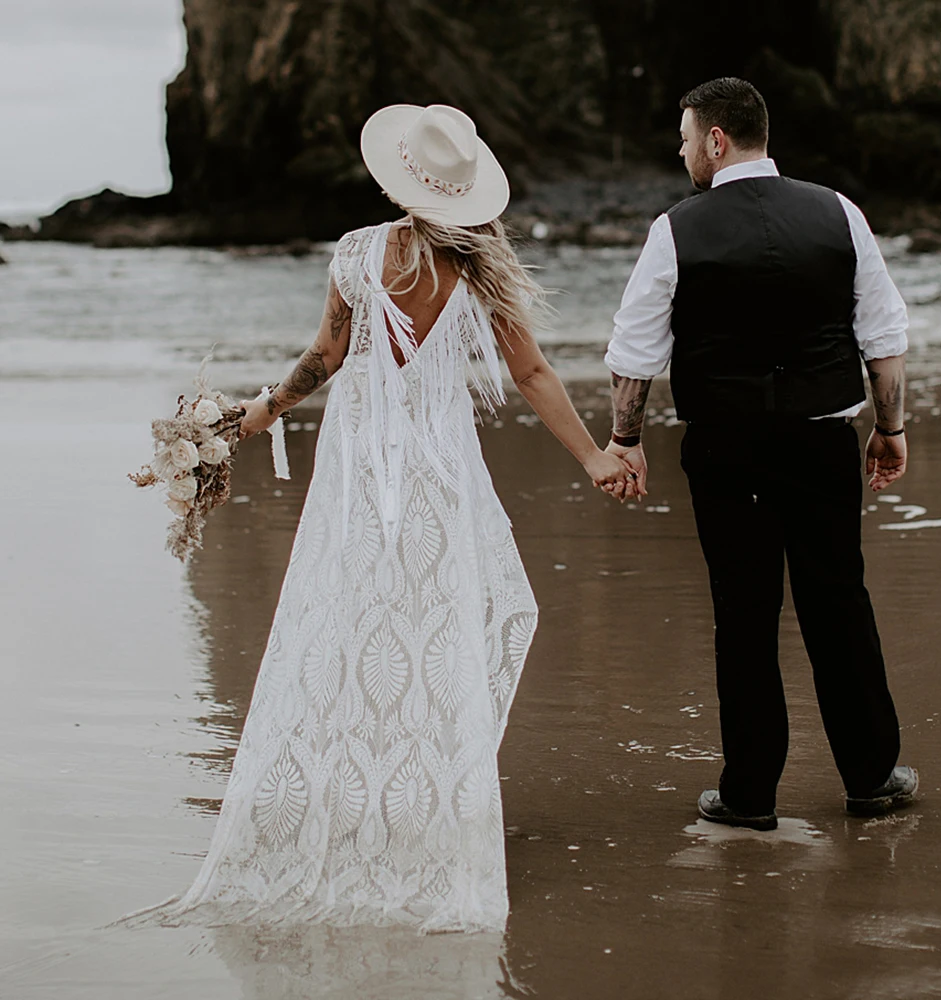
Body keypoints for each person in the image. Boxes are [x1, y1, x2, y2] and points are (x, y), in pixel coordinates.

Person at [127, 104, 635, 931]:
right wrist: (592, 458)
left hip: (359, 473)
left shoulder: (358, 254)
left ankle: (356, 800)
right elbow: (532, 371)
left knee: (354, 622)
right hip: (440, 476)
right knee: (435, 629)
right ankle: (429, 804)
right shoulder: (479, 266)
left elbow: (323, 358)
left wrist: (251, 416)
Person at [602, 78, 917, 831]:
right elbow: (884, 342)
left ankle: (750, 796)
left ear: (717, 140)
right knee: (839, 601)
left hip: (726, 448)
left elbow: (635, 359)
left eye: (685, 139)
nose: (680, 152)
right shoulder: (838, 213)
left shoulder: (676, 229)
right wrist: (891, 427)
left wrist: (626, 440)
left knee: (743, 615)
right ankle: (871, 777)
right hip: (820, 441)